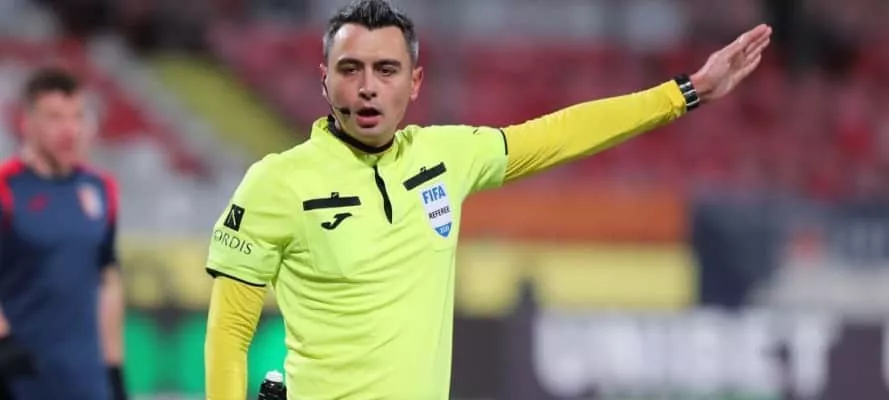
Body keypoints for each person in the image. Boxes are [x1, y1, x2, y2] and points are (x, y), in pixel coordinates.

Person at [203, 0, 773, 398]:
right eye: (350, 69)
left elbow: (559, 134)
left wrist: (686, 91)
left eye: (386, 69)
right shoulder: (276, 184)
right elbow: (229, 333)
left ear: (415, 82)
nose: (368, 86)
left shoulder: (445, 157)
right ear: (324, 79)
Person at [0, 67, 127, 400]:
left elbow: (108, 279)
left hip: (87, 382)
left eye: (77, 117)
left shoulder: (101, 189)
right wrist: (4, 342)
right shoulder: (7, 187)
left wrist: (114, 368)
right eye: (55, 118)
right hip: (20, 379)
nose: (70, 130)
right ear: (27, 123)